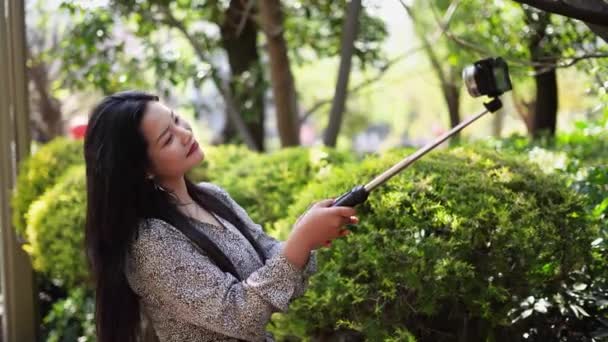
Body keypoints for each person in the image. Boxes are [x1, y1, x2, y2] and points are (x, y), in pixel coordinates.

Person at [84, 90, 358, 342]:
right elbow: (240, 316)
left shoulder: (213, 197)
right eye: (168, 138)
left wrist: (306, 235)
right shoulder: (151, 242)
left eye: (177, 119)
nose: (185, 134)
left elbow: (272, 258)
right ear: (142, 168)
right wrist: (301, 240)